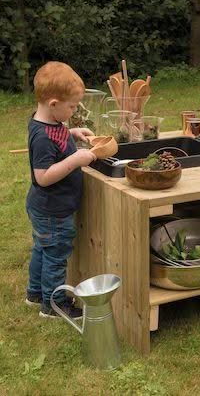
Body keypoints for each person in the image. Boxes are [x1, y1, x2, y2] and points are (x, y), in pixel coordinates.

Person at [25, 61, 96, 318]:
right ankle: (54, 306)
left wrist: (72, 133)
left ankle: (35, 293)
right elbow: (43, 176)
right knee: (55, 255)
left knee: (42, 249)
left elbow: (57, 136)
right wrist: (75, 159)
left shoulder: (48, 123)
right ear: (53, 104)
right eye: (72, 106)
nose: (75, 109)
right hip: (53, 210)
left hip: (44, 207)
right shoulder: (42, 137)